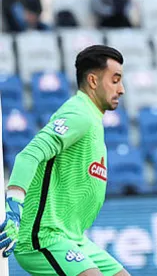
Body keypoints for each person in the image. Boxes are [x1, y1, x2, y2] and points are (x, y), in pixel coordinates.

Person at [0, 45, 130, 276]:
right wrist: (13, 208)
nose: (121, 89)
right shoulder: (79, 113)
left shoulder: (92, 118)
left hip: (73, 238)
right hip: (44, 237)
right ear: (92, 81)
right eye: (115, 80)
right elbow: (29, 155)